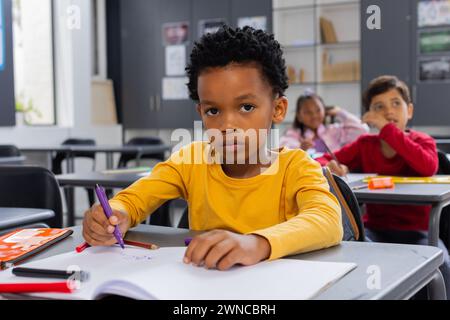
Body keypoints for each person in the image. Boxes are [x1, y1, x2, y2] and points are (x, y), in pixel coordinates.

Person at [82, 26, 342, 271]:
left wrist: (257, 243)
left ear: (277, 109)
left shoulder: (296, 167)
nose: (227, 124)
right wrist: (116, 214)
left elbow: (328, 220)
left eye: (246, 107)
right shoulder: (191, 160)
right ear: (201, 112)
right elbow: (135, 199)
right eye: (213, 110)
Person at [317, 75, 450, 297]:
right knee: (353, 259)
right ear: (369, 116)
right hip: (375, 230)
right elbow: (319, 160)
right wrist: (331, 166)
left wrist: (387, 130)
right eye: (379, 107)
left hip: (419, 232)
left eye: (396, 104)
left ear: (410, 111)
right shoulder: (365, 144)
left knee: (443, 265)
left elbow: (427, 166)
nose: (388, 112)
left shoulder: (422, 140)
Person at [280, 92, 368, 155]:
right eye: (307, 112)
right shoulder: (293, 134)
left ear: (324, 111)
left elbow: (363, 130)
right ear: (299, 116)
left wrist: (340, 113)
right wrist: (299, 148)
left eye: (318, 110)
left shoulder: (334, 130)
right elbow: (282, 151)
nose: (314, 115)